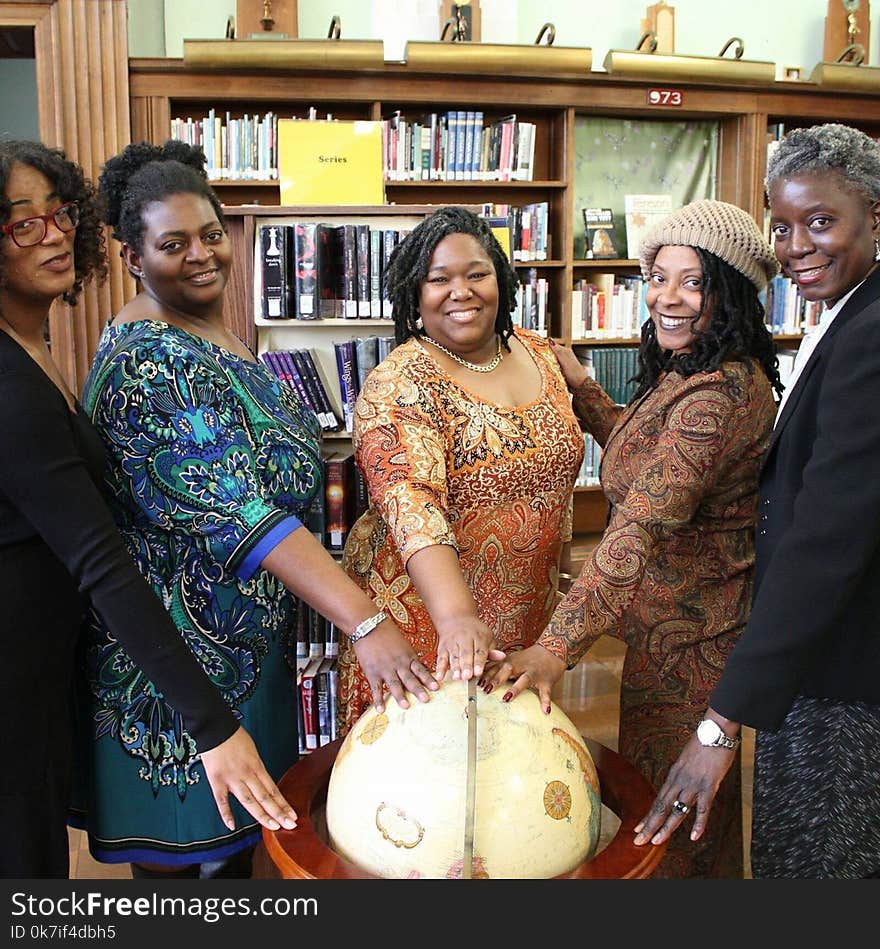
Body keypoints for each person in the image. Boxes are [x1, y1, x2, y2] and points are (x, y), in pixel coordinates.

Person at [75, 140, 440, 878]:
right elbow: (240, 510)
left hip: (241, 657)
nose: (202, 255)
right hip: (182, 677)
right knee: (192, 875)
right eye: (173, 244)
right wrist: (364, 619)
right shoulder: (152, 360)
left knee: (240, 864)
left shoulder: (212, 332)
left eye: (211, 235)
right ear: (130, 255)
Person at [0, 139, 299, 879]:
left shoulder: (34, 346)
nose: (54, 232)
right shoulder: (23, 374)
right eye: (21, 222)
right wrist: (212, 725)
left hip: (44, 673)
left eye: (60, 212)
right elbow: (101, 557)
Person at [485, 199, 782, 878]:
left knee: (669, 835)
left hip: (693, 654)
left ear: (728, 293)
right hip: (663, 637)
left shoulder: (720, 395)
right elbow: (643, 456)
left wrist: (555, 647)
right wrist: (584, 386)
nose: (665, 298)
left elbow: (642, 521)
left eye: (692, 282)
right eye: (658, 277)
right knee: (671, 825)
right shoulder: (693, 371)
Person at [633, 124, 880, 879]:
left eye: (821, 221)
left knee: (819, 867)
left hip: (839, 672)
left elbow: (824, 543)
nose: (797, 244)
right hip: (806, 662)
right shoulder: (844, 313)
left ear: (876, 216)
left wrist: (718, 725)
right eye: (781, 225)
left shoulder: (871, 335)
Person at [337, 206, 583, 733]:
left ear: (502, 279)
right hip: (428, 633)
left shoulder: (542, 355)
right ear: (413, 295)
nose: (461, 291)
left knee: (515, 775)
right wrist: (456, 618)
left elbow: (558, 483)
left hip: (527, 620)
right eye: (439, 279)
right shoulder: (399, 381)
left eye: (477, 274)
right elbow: (411, 504)